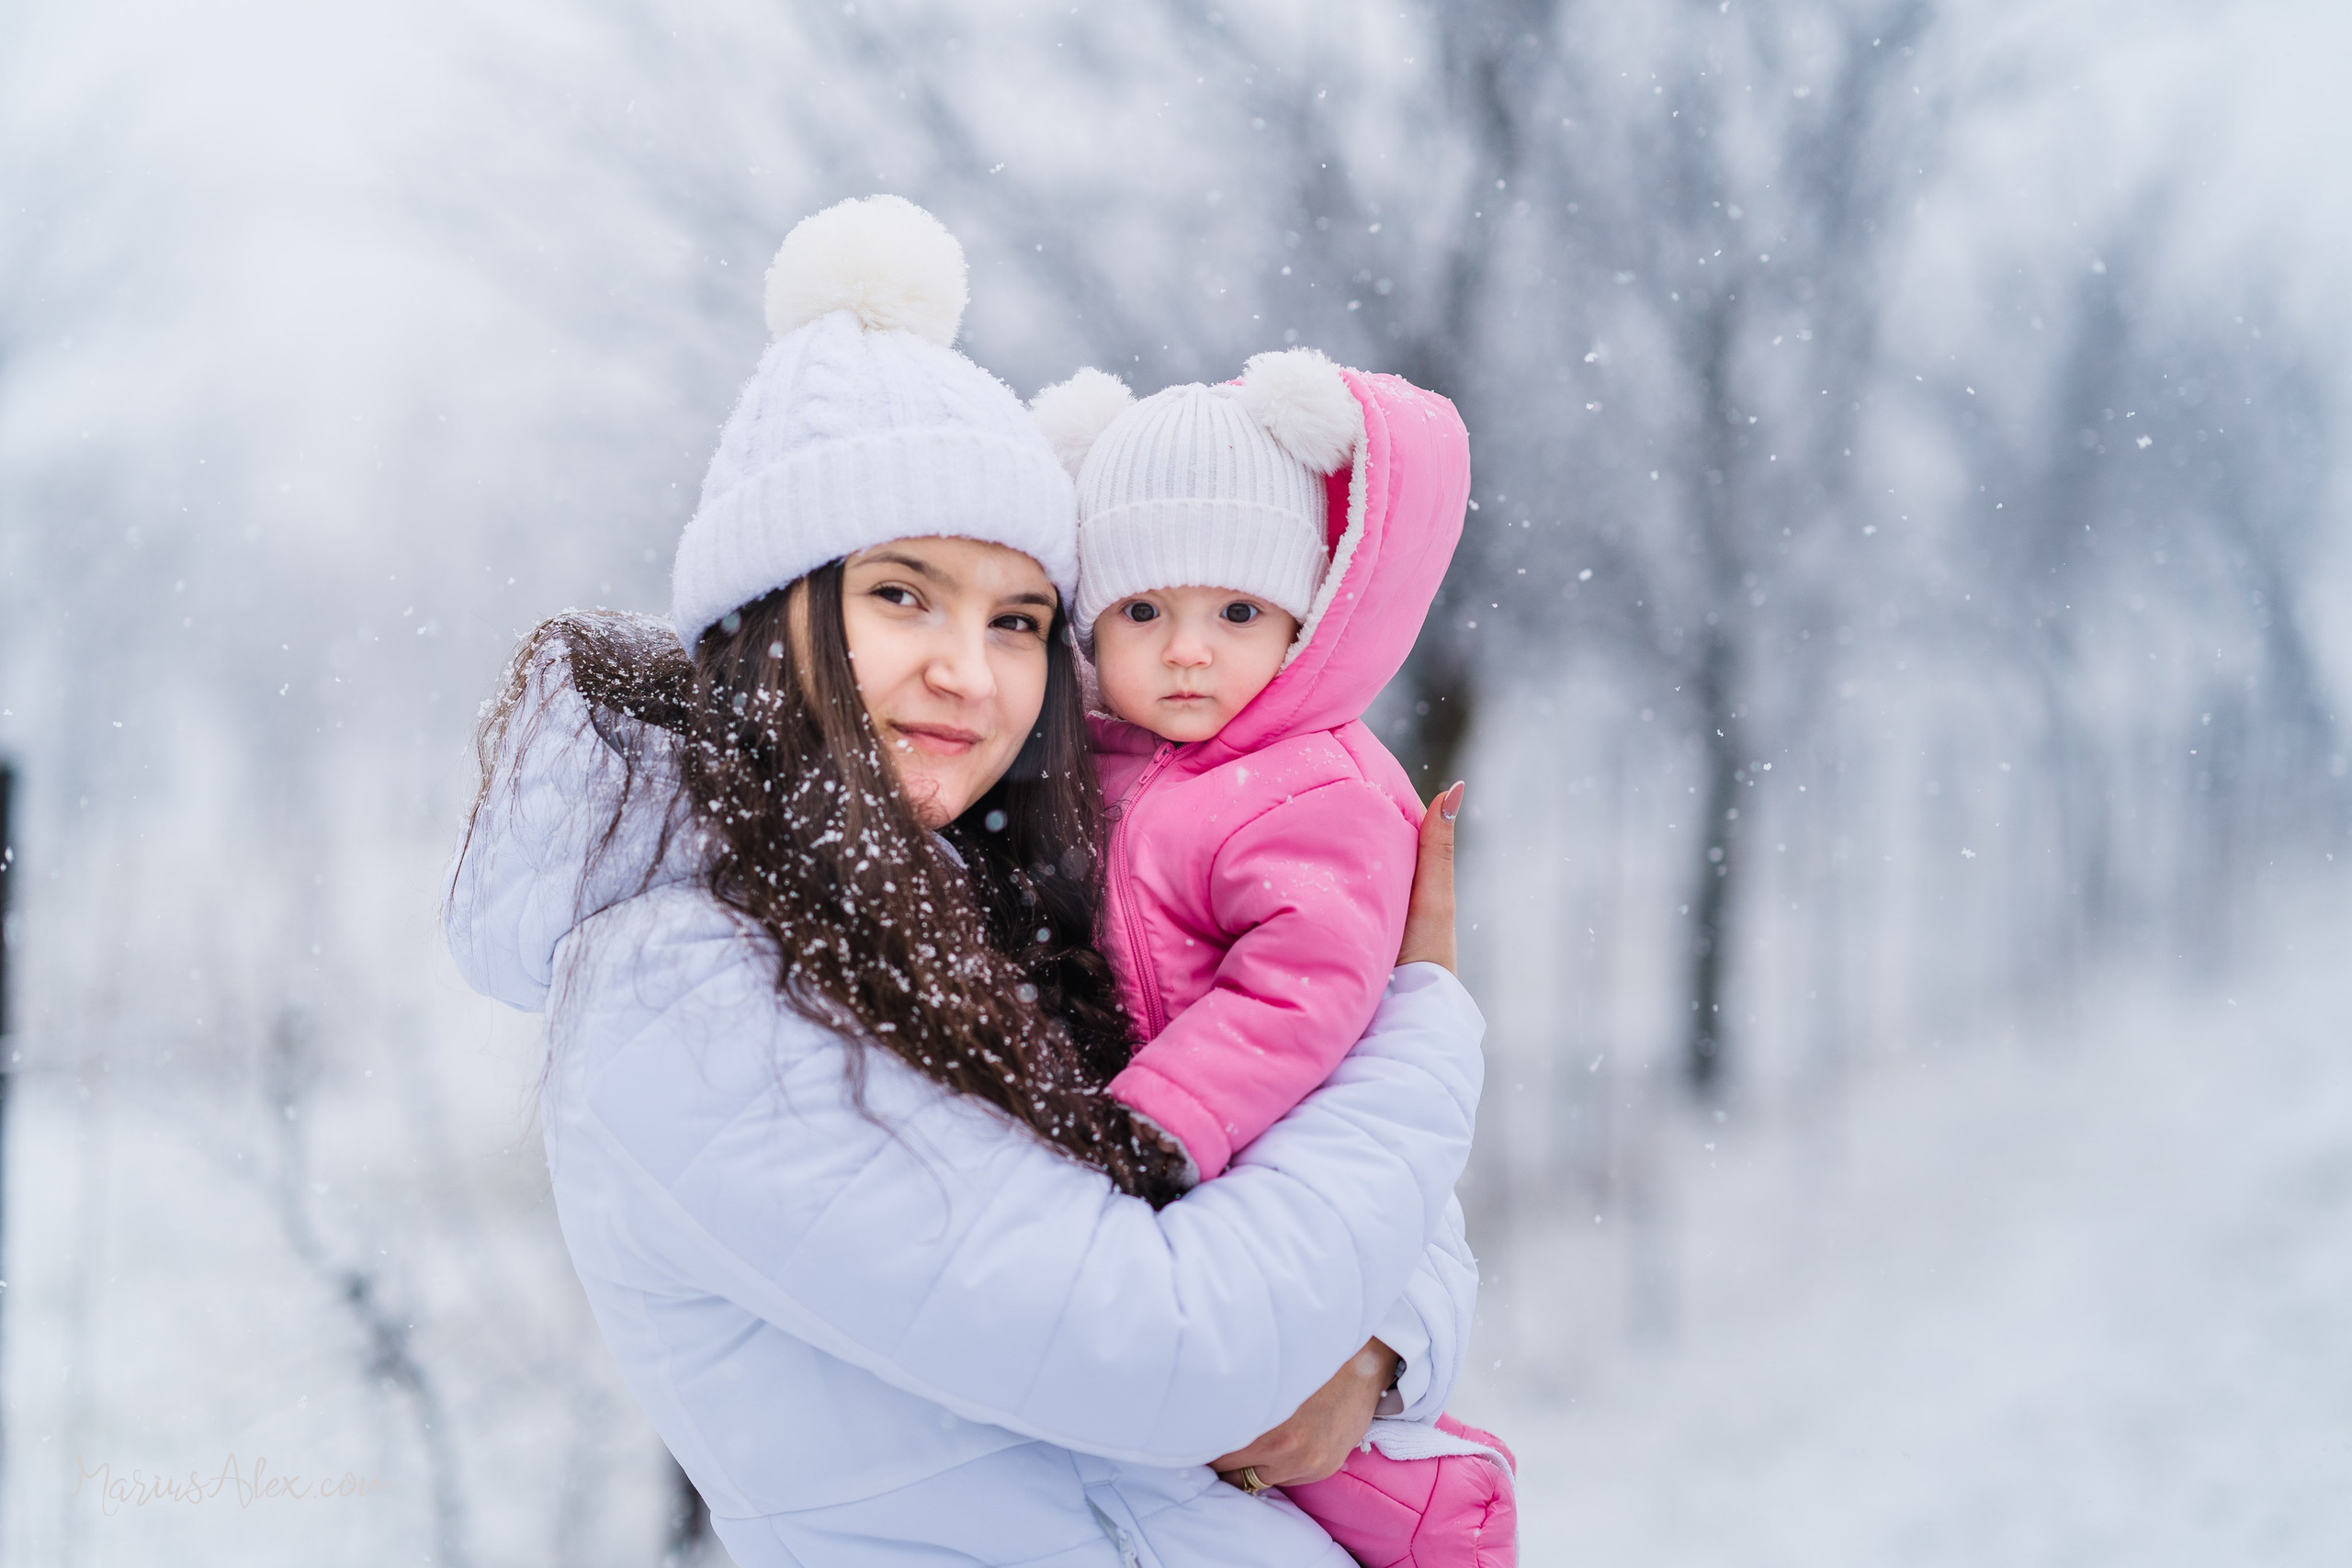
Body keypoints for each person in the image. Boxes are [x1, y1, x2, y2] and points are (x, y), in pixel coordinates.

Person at [446, 195, 1484, 1566]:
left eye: (1018, 621)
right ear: (770, 612)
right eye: (902, 595)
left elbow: (1363, 1207)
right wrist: (1421, 1024)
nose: (968, 671)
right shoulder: (685, 987)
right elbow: (1170, 1351)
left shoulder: (988, 894)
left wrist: (1379, 1343)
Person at [1029, 354, 1516, 1561]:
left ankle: (1444, 1511)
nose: (1188, 651)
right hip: (1174, 1192)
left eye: (1236, 613)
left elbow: (1305, 989)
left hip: (1247, 1151)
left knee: (1298, 1443)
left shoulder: (1314, 783)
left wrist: (1158, 1122)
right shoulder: (1088, 769)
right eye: (1144, 613)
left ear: (1304, 617)